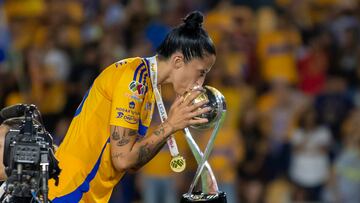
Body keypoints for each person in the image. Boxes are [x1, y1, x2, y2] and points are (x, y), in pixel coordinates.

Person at [44, 11, 216, 202]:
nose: (200, 83)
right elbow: (123, 160)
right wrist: (170, 125)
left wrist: (170, 127)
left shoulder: (149, 87)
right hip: (69, 191)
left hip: (86, 193)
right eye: (201, 72)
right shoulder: (133, 80)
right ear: (177, 61)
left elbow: (133, 163)